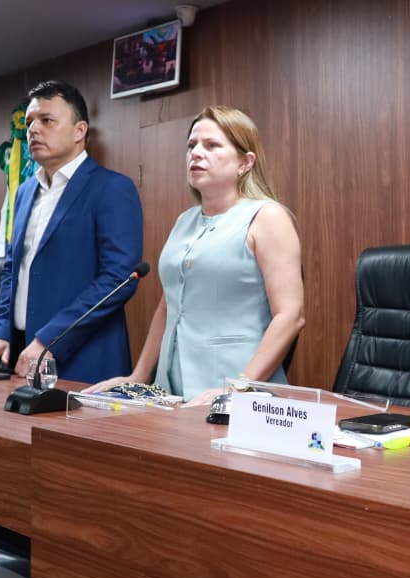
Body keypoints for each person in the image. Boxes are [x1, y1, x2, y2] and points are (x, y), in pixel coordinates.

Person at [86, 105, 304, 406]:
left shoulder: (267, 217)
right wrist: (138, 376)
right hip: (171, 390)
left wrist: (239, 387)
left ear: (245, 162)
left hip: (236, 392)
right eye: (192, 146)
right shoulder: (184, 221)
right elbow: (169, 304)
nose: (196, 153)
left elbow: (290, 315)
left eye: (212, 145)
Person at [0, 80, 144, 382]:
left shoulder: (112, 188)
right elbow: (12, 270)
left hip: (86, 360)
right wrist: (0, 333)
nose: (33, 129)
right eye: (30, 122)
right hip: (21, 355)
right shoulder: (24, 191)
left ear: (79, 131)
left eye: (47, 120)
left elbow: (118, 280)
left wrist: (49, 340)